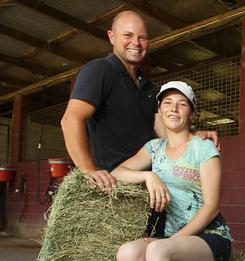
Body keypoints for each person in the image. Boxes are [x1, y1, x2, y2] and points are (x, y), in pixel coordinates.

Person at [112, 81, 232, 261]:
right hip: (172, 243)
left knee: (156, 251)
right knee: (127, 254)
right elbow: (117, 172)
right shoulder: (154, 149)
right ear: (159, 110)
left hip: (209, 238)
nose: (173, 109)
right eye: (167, 103)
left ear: (191, 112)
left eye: (181, 103)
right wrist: (147, 176)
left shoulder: (203, 149)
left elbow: (211, 206)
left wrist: (172, 240)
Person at [60, 10, 217, 193]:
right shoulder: (99, 70)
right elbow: (70, 120)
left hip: (146, 182)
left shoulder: (149, 87)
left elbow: (165, 134)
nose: (136, 42)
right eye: (128, 35)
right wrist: (89, 170)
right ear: (111, 37)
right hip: (114, 183)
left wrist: (194, 136)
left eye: (142, 37)